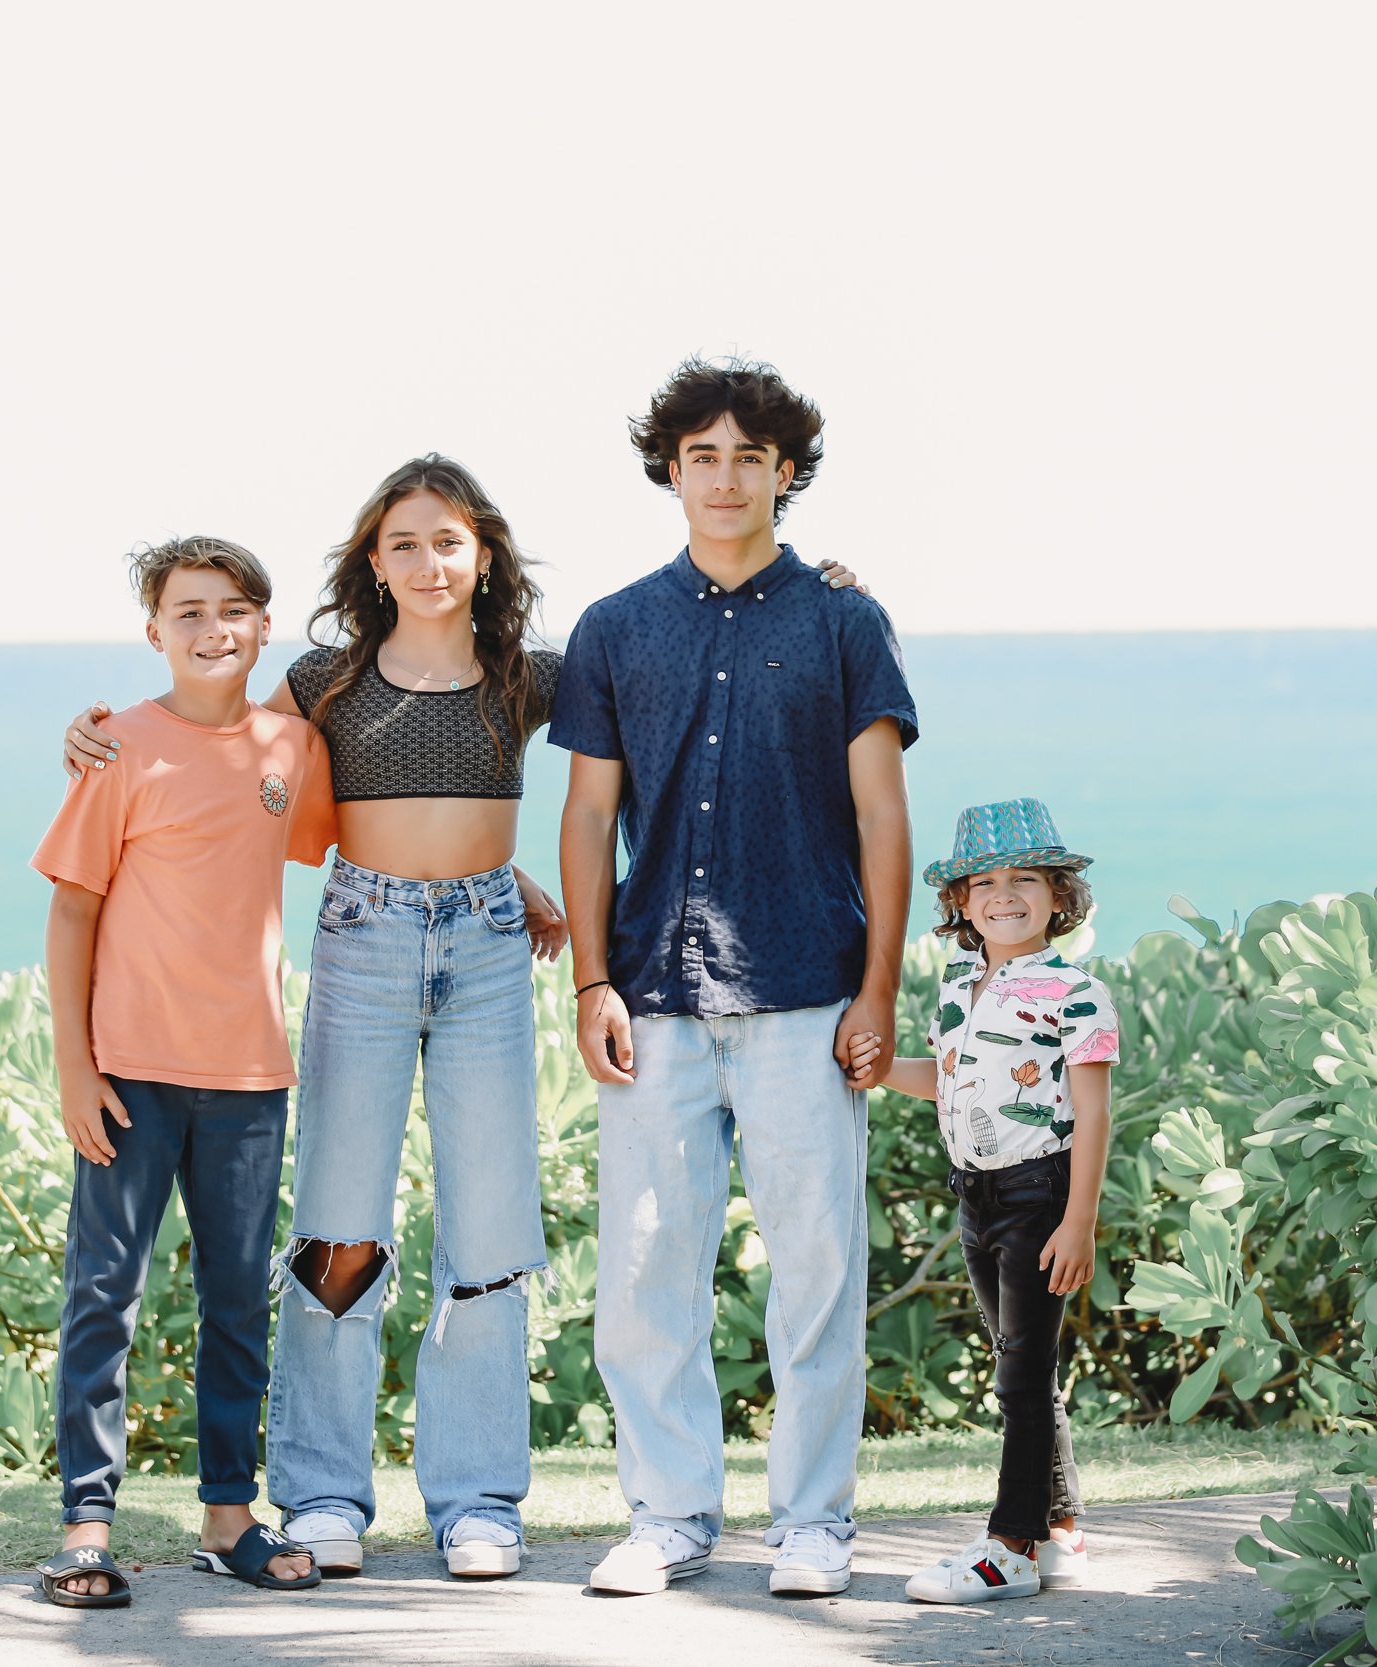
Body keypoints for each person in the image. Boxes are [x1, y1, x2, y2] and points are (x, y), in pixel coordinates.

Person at [58, 459, 866, 1583]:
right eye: (402, 542)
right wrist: (94, 732)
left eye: (447, 540)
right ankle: (325, 1494)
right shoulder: (320, 678)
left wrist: (813, 585)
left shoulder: (529, 673)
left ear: (481, 553)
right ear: (372, 560)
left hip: (488, 948)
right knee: (341, 1228)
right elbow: (212, 736)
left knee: (489, 1235)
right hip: (364, 941)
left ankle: (478, 1499)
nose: (426, 562)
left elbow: (673, 673)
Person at [551, 356, 917, 1597]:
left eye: (747, 457)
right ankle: (667, 1516)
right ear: (669, 469)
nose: (723, 476)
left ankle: (813, 1522)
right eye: (700, 455)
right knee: (647, 1270)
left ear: (785, 474)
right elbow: (588, 814)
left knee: (816, 1269)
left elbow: (882, 818)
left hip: (809, 988)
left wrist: (879, 989)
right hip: (652, 994)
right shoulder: (612, 627)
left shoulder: (842, 622)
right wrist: (593, 979)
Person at [29, 536, 333, 1606]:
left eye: (234, 609)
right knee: (105, 1293)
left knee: (236, 1300)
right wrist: (75, 1065)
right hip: (131, 1075)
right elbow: (73, 908)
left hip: (249, 1073)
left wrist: (508, 875)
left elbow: (373, 846)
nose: (213, 628)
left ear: (263, 625)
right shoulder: (119, 748)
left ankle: (226, 1515)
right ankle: (85, 1521)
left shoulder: (292, 746)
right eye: (188, 611)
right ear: (155, 631)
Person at [857, 798, 1116, 1605]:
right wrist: (874, 1069)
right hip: (975, 1192)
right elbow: (945, 1078)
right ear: (962, 904)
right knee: (1021, 1364)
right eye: (988, 882)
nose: (1006, 894)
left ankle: (1011, 1545)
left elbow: (1095, 1112)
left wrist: (1079, 1220)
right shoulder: (960, 982)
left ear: (1058, 896)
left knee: (1022, 1376)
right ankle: (1063, 1528)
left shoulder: (1076, 992)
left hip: (1041, 1193)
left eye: (1026, 879)